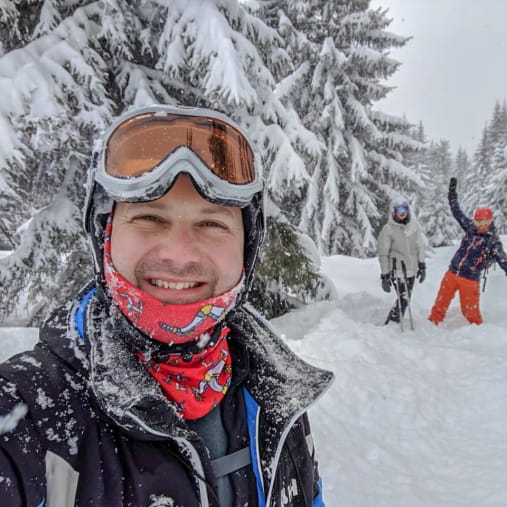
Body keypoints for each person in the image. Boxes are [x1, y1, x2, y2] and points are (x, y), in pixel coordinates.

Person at [0, 105, 334, 506]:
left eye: (211, 223)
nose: (179, 254)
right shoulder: (31, 414)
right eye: (149, 218)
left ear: (246, 248)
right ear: (104, 236)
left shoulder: (276, 395)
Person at [429, 177, 507, 325]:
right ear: (475, 221)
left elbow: (503, 260)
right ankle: (433, 323)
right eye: (479, 222)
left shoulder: (493, 242)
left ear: (491, 222)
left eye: (485, 222)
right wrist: (452, 195)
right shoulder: (470, 228)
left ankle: (476, 335)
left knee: (470, 313)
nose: (481, 226)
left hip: (470, 279)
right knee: (440, 302)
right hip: (452, 273)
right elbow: (456, 212)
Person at [377, 194, 426, 324]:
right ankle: (392, 322)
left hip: (412, 269)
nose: (402, 213)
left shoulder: (414, 226)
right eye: (399, 210)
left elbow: (420, 246)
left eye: (405, 209)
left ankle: (394, 322)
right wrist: (385, 275)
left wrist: (422, 265)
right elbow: (383, 254)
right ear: (394, 212)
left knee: (405, 298)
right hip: (397, 269)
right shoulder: (388, 230)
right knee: (404, 298)